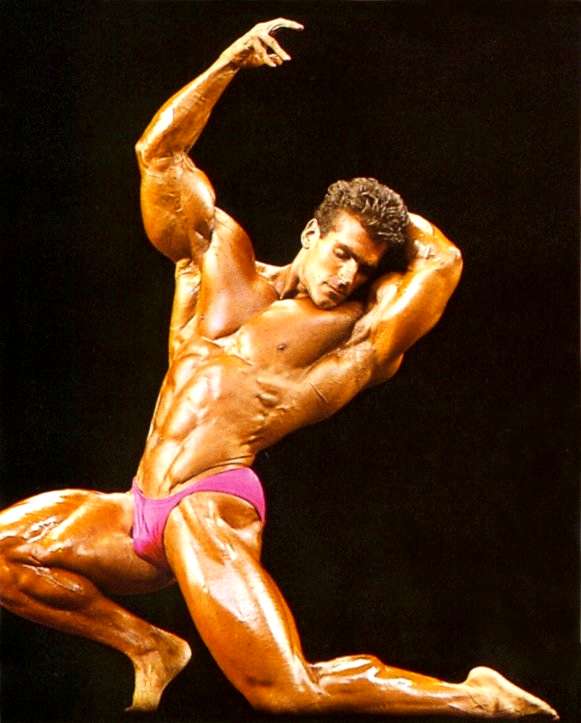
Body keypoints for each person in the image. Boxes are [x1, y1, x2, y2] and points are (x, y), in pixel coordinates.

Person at [0, 19, 558, 719]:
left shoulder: (352, 334)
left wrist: (387, 211)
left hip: (208, 503)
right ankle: (150, 648)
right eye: (341, 253)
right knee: (4, 556)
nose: (347, 275)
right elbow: (158, 153)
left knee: (288, 692)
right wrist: (226, 64)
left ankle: (473, 698)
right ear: (310, 233)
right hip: (139, 504)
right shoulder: (216, 262)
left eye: (364, 267)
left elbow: (443, 260)